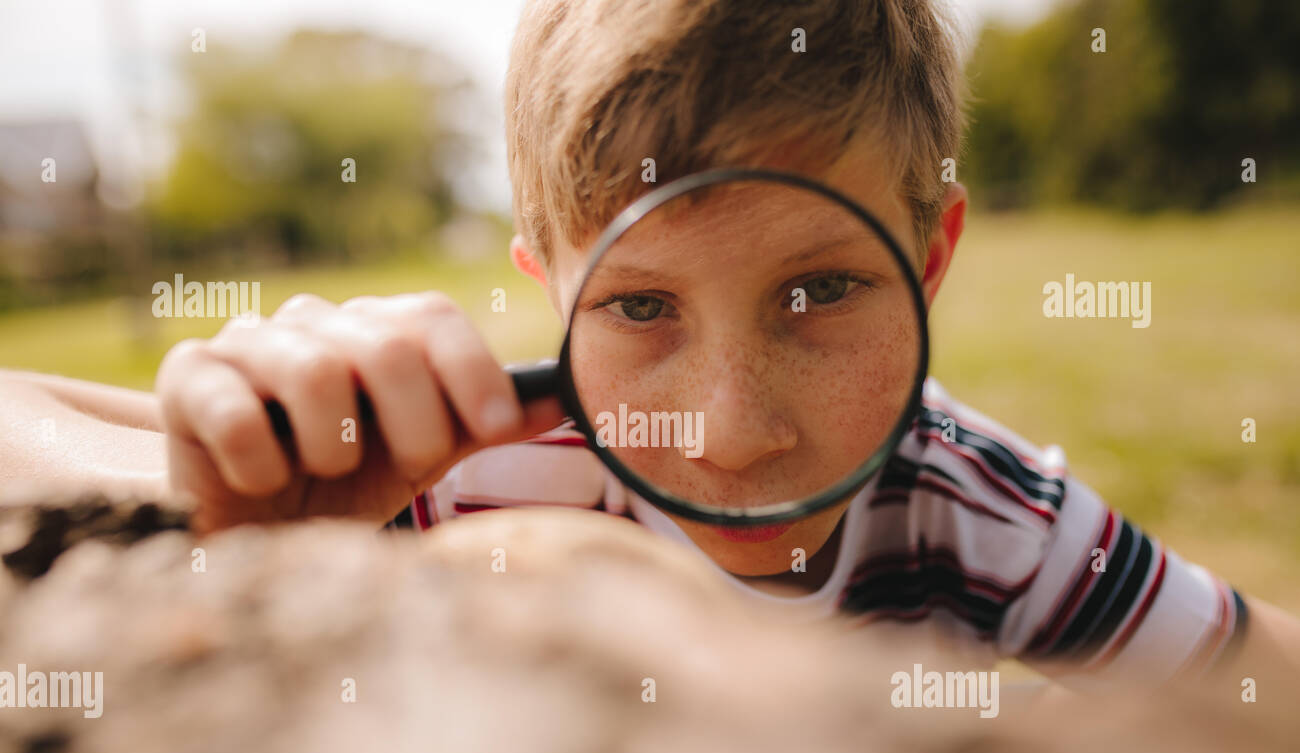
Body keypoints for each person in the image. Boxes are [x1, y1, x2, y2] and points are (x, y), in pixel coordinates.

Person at [1, 0, 1296, 693]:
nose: (730, 431)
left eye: (820, 289)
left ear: (931, 258)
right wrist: (236, 466)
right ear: (546, 287)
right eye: (638, 308)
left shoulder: (987, 520)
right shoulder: (442, 476)